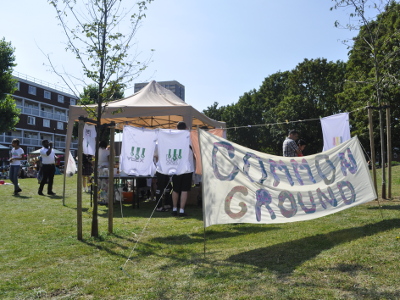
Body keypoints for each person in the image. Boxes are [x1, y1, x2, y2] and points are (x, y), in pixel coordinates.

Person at [171, 121, 195, 217]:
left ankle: (174, 209)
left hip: (176, 166)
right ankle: (181, 210)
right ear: (185, 127)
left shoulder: (173, 137)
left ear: (177, 128)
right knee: (184, 189)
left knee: (175, 189)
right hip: (187, 168)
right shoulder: (189, 136)